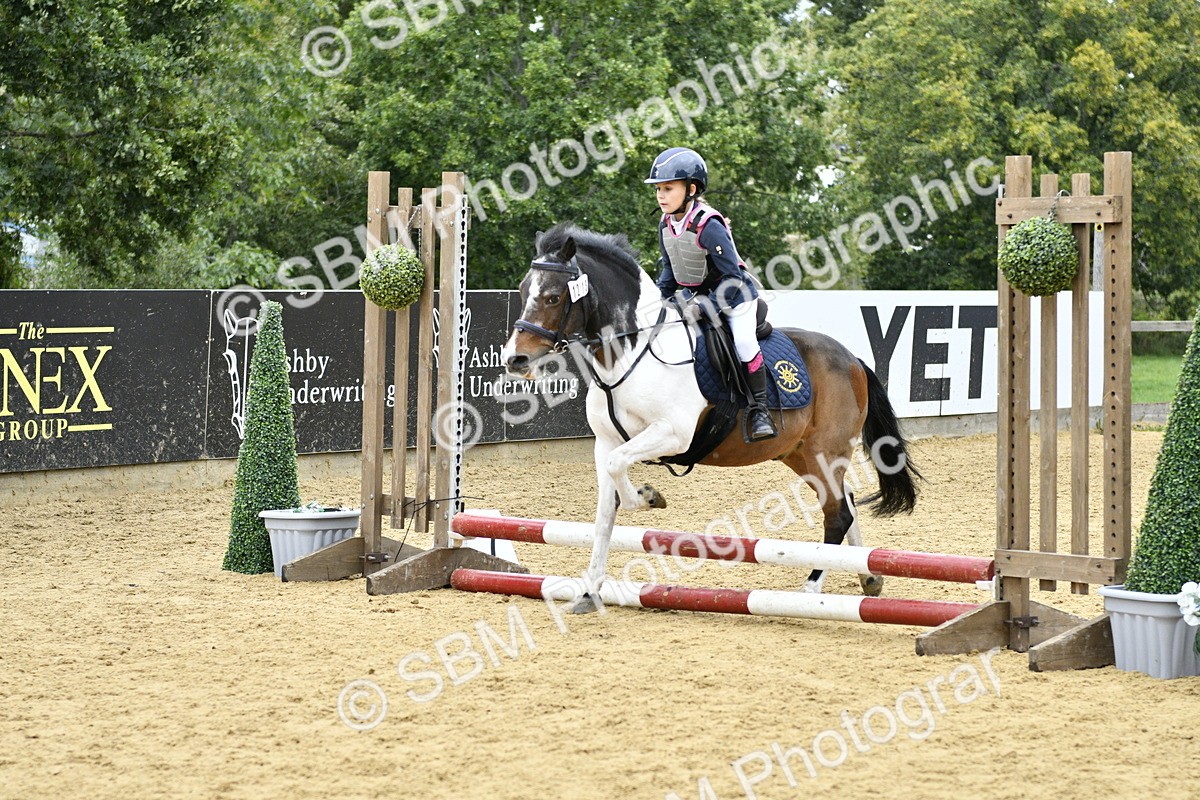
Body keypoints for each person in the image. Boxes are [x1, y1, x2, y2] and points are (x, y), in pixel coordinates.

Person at [645, 146, 777, 442]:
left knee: (743, 342)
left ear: (691, 189)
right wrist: (657, 304)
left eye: (668, 188)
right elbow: (670, 271)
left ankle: (759, 411)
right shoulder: (666, 224)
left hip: (734, 297)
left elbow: (731, 276)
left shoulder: (709, 224)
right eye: (658, 190)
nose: (661, 195)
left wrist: (705, 308)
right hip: (693, 296)